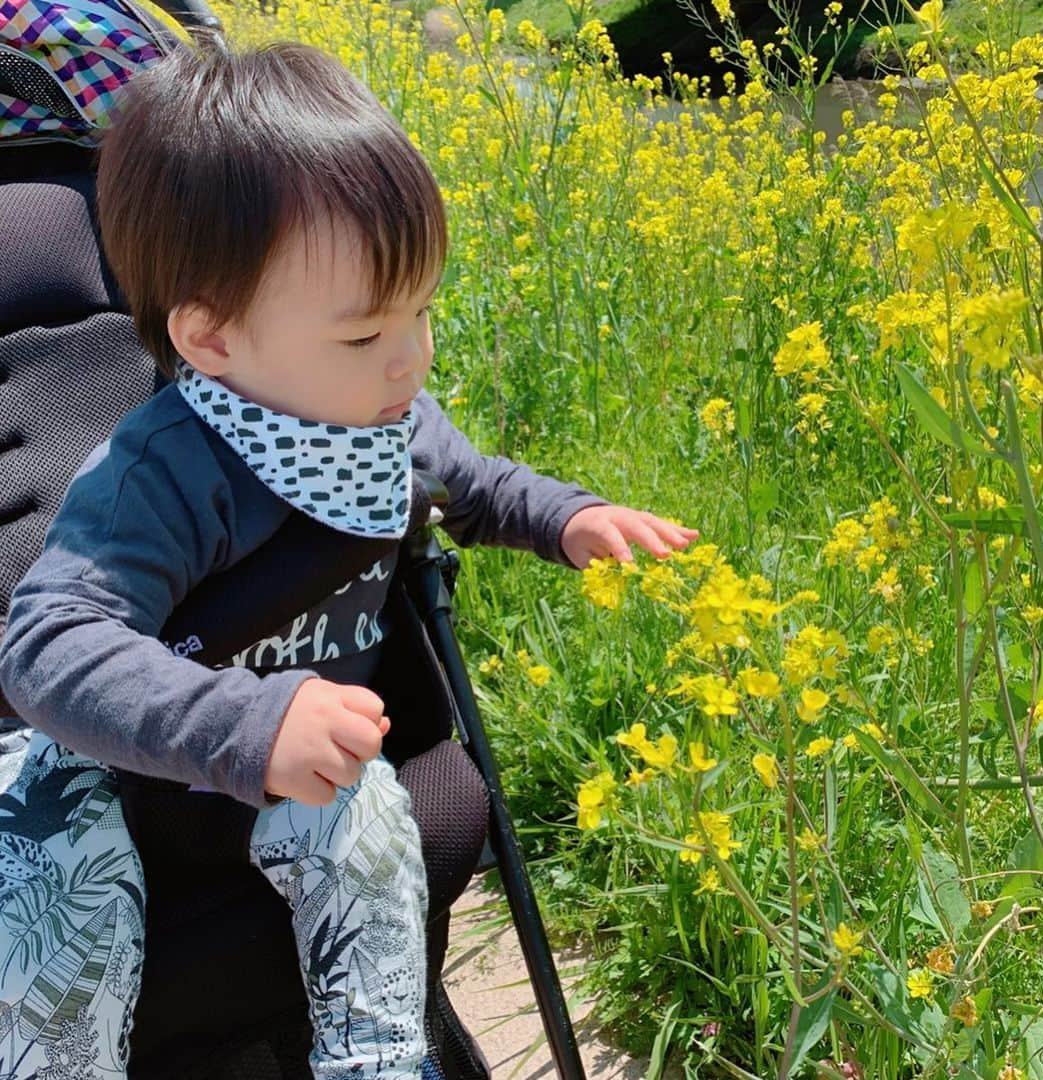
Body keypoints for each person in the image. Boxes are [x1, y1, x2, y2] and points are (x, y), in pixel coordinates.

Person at [0, 34, 697, 1080]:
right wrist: (253, 720)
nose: (412, 356)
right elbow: (47, 646)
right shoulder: (160, 471)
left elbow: (475, 485)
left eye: (420, 310)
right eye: (370, 331)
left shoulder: (377, 416)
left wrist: (570, 519)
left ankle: (378, 1059)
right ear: (213, 341)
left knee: (372, 826)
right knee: (49, 887)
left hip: (306, 761)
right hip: (130, 764)